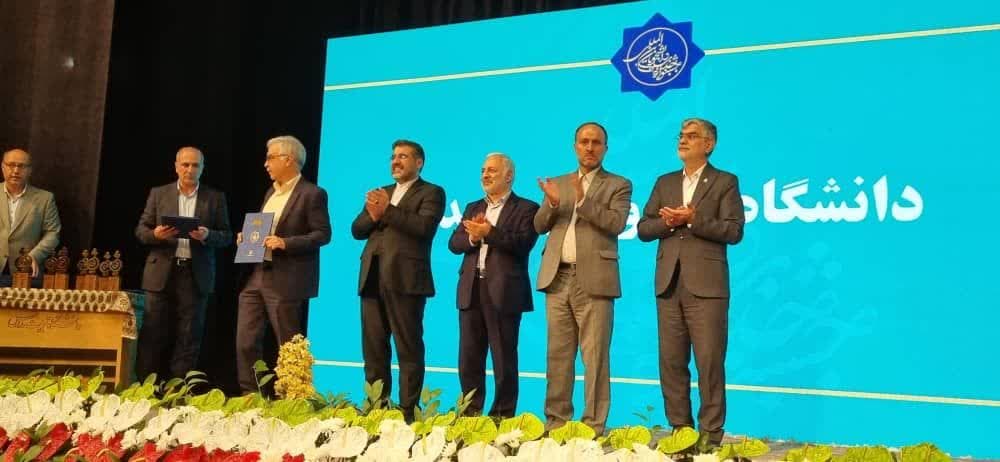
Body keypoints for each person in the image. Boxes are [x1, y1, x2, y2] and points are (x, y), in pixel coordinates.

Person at [637, 118, 745, 447]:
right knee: (671, 362)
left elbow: (734, 230)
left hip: (708, 287)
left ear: (709, 144)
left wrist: (695, 219)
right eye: (681, 135)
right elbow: (643, 228)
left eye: (692, 136)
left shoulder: (725, 182)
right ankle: (680, 432)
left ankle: (710, 436)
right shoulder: (665, 182)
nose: (683, 140)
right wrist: (670, 223)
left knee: (709, 362)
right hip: (669, 284)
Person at [534, 122, 632, 435]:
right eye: (584, 141)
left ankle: (593, 426)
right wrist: (552, 203)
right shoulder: (558, 183)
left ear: (605, 148)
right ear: (575, 146)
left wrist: (582, 201)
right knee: (558, 356)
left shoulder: (618, 184)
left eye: (596, 142)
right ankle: (556, 423)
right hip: (557, 277)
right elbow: (539, 226)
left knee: (595, 357)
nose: (589, 147)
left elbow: (616, 223)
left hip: (595, 280)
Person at [351, 139, 445, 421]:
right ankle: (376, 407)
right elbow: (357, 229)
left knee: (408, 347)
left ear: (419, 162)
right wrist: (373, 214)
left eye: (403, 156)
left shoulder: (431, 192)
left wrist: (387, 211)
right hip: (372, 277)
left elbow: (424, 227)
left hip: (406, 280)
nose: (395, 161)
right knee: (373, 348)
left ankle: (408, 411)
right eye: (393, 156)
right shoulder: (383, 192)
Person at [236, 135, 331, 394]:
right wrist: (247, 238)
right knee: (246, 342)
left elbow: (323, 234)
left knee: (288, 345)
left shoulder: (312, 194)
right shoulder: (271, 192)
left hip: (287, 278)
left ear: (288, 160)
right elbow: (263, 228)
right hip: (257, 273)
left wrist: (285, 243)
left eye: (270, 158)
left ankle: (293, 398)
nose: (265, 164)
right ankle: (250, 396)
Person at [447, 153, 539, 417]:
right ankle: (470, 413)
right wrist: (474, 238)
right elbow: (454, 243)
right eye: (483, 170)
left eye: (492, 171)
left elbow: (523, 244)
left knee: (503, 358)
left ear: (508, 176)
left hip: (504, 292)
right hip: (471, 288)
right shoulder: (473, 207)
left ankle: (502, 415)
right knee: (469, 358)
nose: (485, 175)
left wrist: (490, 233)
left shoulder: (527, 208)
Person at [135, 146, 232, 380]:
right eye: (185, 164)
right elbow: (141, 231)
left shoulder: (215, 197)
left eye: (195, 165)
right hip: (161, 272)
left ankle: (179, 390)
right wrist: (155, 234)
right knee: (152, 332)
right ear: (176, 167)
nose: (190, 169)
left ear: (202, 168)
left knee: (189, 335)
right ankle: (145, 387)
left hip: (195, 273)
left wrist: (208, 235)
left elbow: (227, 236)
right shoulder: (159, 193)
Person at [0, 148, 60, 283]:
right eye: (11, 165)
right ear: (3, 167)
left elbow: (53, 233)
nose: (16, 171)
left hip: (27, 273)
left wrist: (33, 256)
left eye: (21, 166)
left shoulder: (45, 199)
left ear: (30, 170)